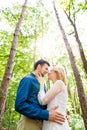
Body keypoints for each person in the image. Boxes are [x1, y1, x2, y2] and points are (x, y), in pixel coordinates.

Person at [15, 59, 65, 130]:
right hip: (30, 122)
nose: (48, 71)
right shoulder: (28, 79)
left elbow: (42, 104)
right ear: (39, 66)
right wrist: (45, 114)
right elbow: (19, 105)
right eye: (46, 68)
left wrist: (59, 114)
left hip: (43, 122)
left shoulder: (42, 84)